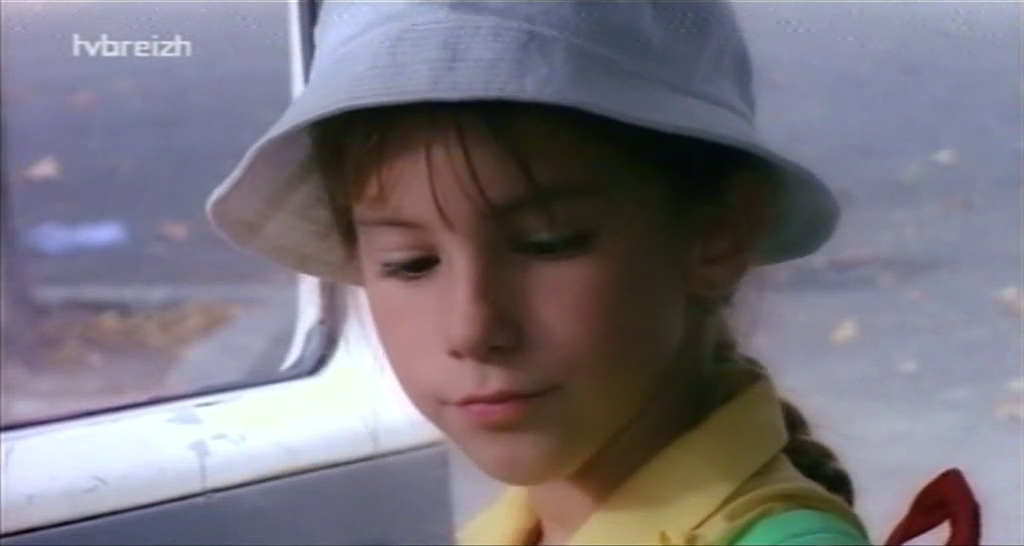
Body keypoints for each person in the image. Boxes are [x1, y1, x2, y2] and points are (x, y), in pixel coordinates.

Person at [206, 2, 978, 545]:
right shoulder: (511, 528)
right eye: (410, 263)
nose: (473, 326)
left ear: (715, 237)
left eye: (549, 243)